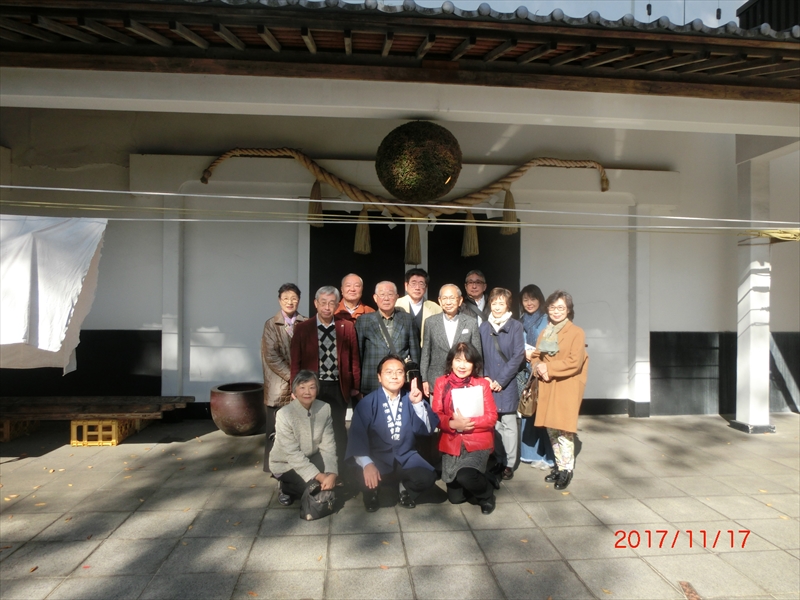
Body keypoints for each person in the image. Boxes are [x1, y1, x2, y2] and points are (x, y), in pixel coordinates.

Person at [345, 355, 440, 512]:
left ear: (405, 376)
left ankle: (404, 488)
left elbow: (427, 429)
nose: (394, 376)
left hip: (405, 456)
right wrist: (368, 464)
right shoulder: (367, 403)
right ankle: (373, 491)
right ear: (379, 377)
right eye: (389, 372)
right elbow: (357, 439)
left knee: (427, 477)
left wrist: (417, 404)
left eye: (399, 372)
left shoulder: (411, 398)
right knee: (365, 479)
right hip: (376, 458)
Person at [290, 285, 360, 472]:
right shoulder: (303, 328)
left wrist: (355, 385)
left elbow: (354, 359)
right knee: (312, 428)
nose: (327, 307)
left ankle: (340, 469)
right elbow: (295, 361)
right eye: (323, 303)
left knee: (337, 427)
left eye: (331, 303)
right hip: (312, 387)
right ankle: (314, 469)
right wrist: (295, 387)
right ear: (316, 303)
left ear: (337, 305)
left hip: (338, 386)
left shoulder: (346, 327)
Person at [432, 342, 499, 515]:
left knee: (465, 476)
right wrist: (452, 424)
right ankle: (485, 477)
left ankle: (487, 495)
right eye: (458, 360)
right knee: (456, 498)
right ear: (451, 361)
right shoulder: (441, 383)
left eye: (467, 361)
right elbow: (436, 415)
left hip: (477, 441)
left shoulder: (482, 384)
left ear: (474, 364)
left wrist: (467, 423)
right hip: (452, 442)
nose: (462, 365)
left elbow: (492, 417)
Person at [532, 290, 589, 491]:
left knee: (564, 430)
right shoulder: (546, 331)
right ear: (547, 309)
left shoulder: (576, 332)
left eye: (561, 308)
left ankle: (567, 470)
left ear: (568, 310)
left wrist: (548, 368)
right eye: (553, 307)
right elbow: (536, 355)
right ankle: (559, 465)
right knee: (552, 429)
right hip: (548, 385)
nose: (556, 311)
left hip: (566, 385)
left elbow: (575, 362)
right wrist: (538, 366)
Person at [269, 370, 338, 508]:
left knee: (333, 481)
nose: (307, 392)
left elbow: (328, 445)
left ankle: (316, 481)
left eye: (312, 387)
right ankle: (285, 487)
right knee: (314, 489)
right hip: (286, 464)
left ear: (317, 390)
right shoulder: (284, 414)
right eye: (302, 387)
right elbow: (292, 454)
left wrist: (332, 474)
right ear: (294, 391)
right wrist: (321, 477)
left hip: (311, 457)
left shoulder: (324, 408)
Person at [479, 287, 525, 481]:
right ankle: (499, 459)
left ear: (508, 305)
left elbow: (518, 355)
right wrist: (485, 377)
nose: (497, 307)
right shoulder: (484, 327)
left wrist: (501, 380)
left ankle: (509, 464)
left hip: (507, 382)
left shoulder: (515, 326)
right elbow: (479, 355)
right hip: (489, 383)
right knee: (494, 424)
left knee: (508, 423)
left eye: (501, 303)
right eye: (494, 303)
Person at [261, 283, 306, 471]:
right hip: (278, 385)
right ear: (279, 300)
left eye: (294, 298)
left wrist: (302, 379)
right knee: (275, 429)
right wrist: (293, 377)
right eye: (286, 298)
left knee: (298, 429)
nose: (290, 302)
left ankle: (296, 466)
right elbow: (271, 356)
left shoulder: (306, 323)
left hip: (300, 384)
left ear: (299, 300)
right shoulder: (271, 324)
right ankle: (273, 467)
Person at [355, 281, 420, 395]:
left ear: (396, 297)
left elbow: (415, 353)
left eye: (390, 294)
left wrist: (415, 382)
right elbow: (357, 355)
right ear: (375, 298)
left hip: (400, 381)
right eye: (382, 294)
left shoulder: (408, 320)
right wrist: (356, 385)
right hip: (372, 381)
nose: (386, 298)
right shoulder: (364, 321)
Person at [420, 284, 481, 397]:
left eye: (452, 298)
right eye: (445, 298)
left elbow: (477, 354)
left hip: (465, 381)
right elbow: (426, 353)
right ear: (440, 301)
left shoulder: (471, 322)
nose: (448, 302)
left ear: (460, 300)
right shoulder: (430, 322)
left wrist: (478, 379)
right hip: (436, 379)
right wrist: (424, 379)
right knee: (437, 409)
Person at [517, 284, 555, 470]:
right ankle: (531, 454)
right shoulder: (520, 321)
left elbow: (552, 347)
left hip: (543, 371)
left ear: (540, 300)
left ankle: (549, 456)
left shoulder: (547, 320)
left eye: (533, 299)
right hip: (526, 373)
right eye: (525, 299)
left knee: (544, 415)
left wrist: (537, 356)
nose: (529, 303)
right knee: (529, 412)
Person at [394, 268, 442, 346]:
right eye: (413, 283)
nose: (417, 287)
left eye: (421, 284)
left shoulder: (436, 308)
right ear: (406, 286)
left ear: (426, 287)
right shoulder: (396, 305)